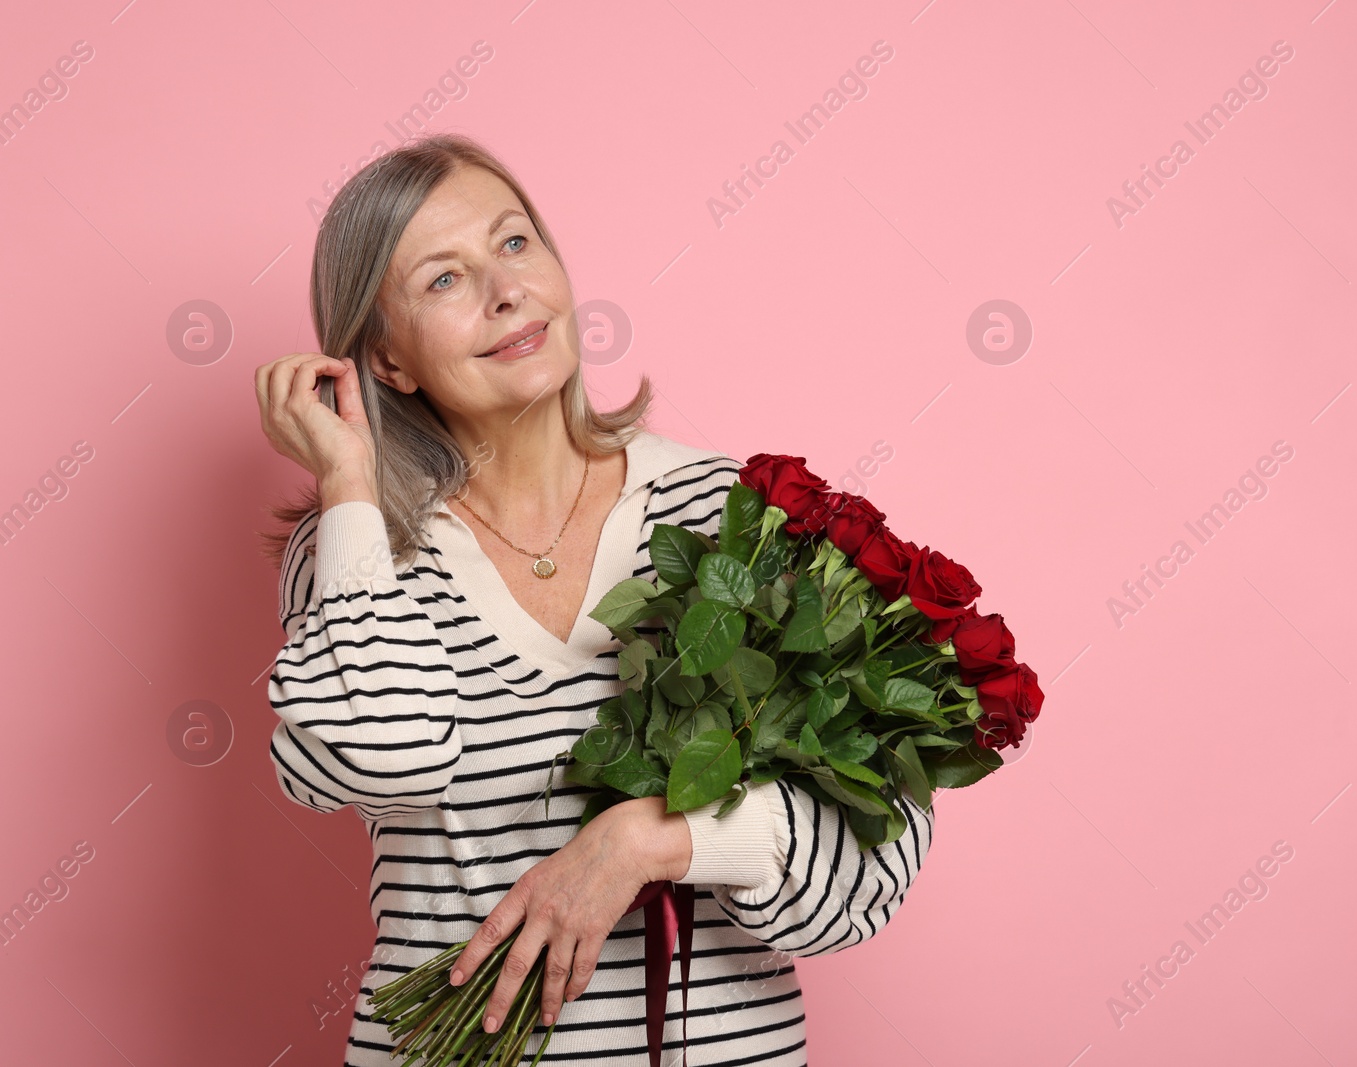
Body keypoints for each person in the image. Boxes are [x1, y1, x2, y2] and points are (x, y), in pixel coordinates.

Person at [253, 132, 933, 1066]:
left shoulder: (729, 516)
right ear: (389, 362)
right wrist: (348, 483)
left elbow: (873, 864)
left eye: (515, 243)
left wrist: (653, 841)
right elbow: (388, 760)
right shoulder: (354, 546)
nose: (505, 290)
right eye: (443, 280)